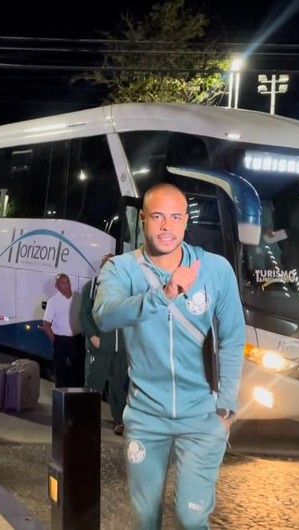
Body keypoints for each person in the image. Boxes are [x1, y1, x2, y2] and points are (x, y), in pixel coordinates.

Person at [93, 183, 245, 529]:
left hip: (203, 416)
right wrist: (163, 294)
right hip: (147, 416)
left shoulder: (216, 269)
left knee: (191, 518)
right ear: (142, 218)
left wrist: (225, 406)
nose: (166, 226)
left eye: (176, 217)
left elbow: (233, 338)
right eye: (158, 216)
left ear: (186, 221)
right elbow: (105, 315)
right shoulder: (120, 270)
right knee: (145, 519)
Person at [79, 253, 128, 435]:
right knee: (93, 384)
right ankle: (87, 420)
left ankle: (120, 421)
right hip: (99, 346)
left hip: (120, 348)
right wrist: (93, 336)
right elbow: (83, 315)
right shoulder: (91, 287)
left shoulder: (126, 287)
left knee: (119, 386)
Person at [43, 273, 85, 388]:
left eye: (67, 282)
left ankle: (78, 397)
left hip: (77, 340)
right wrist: (55, 342)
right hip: (61, 340)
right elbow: (46, 325)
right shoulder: (53, 302)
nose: (66, 285)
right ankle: (61, 400)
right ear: (57, 286)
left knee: (79, 371)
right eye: (63, 283)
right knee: (60, 373)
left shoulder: (79, 298)